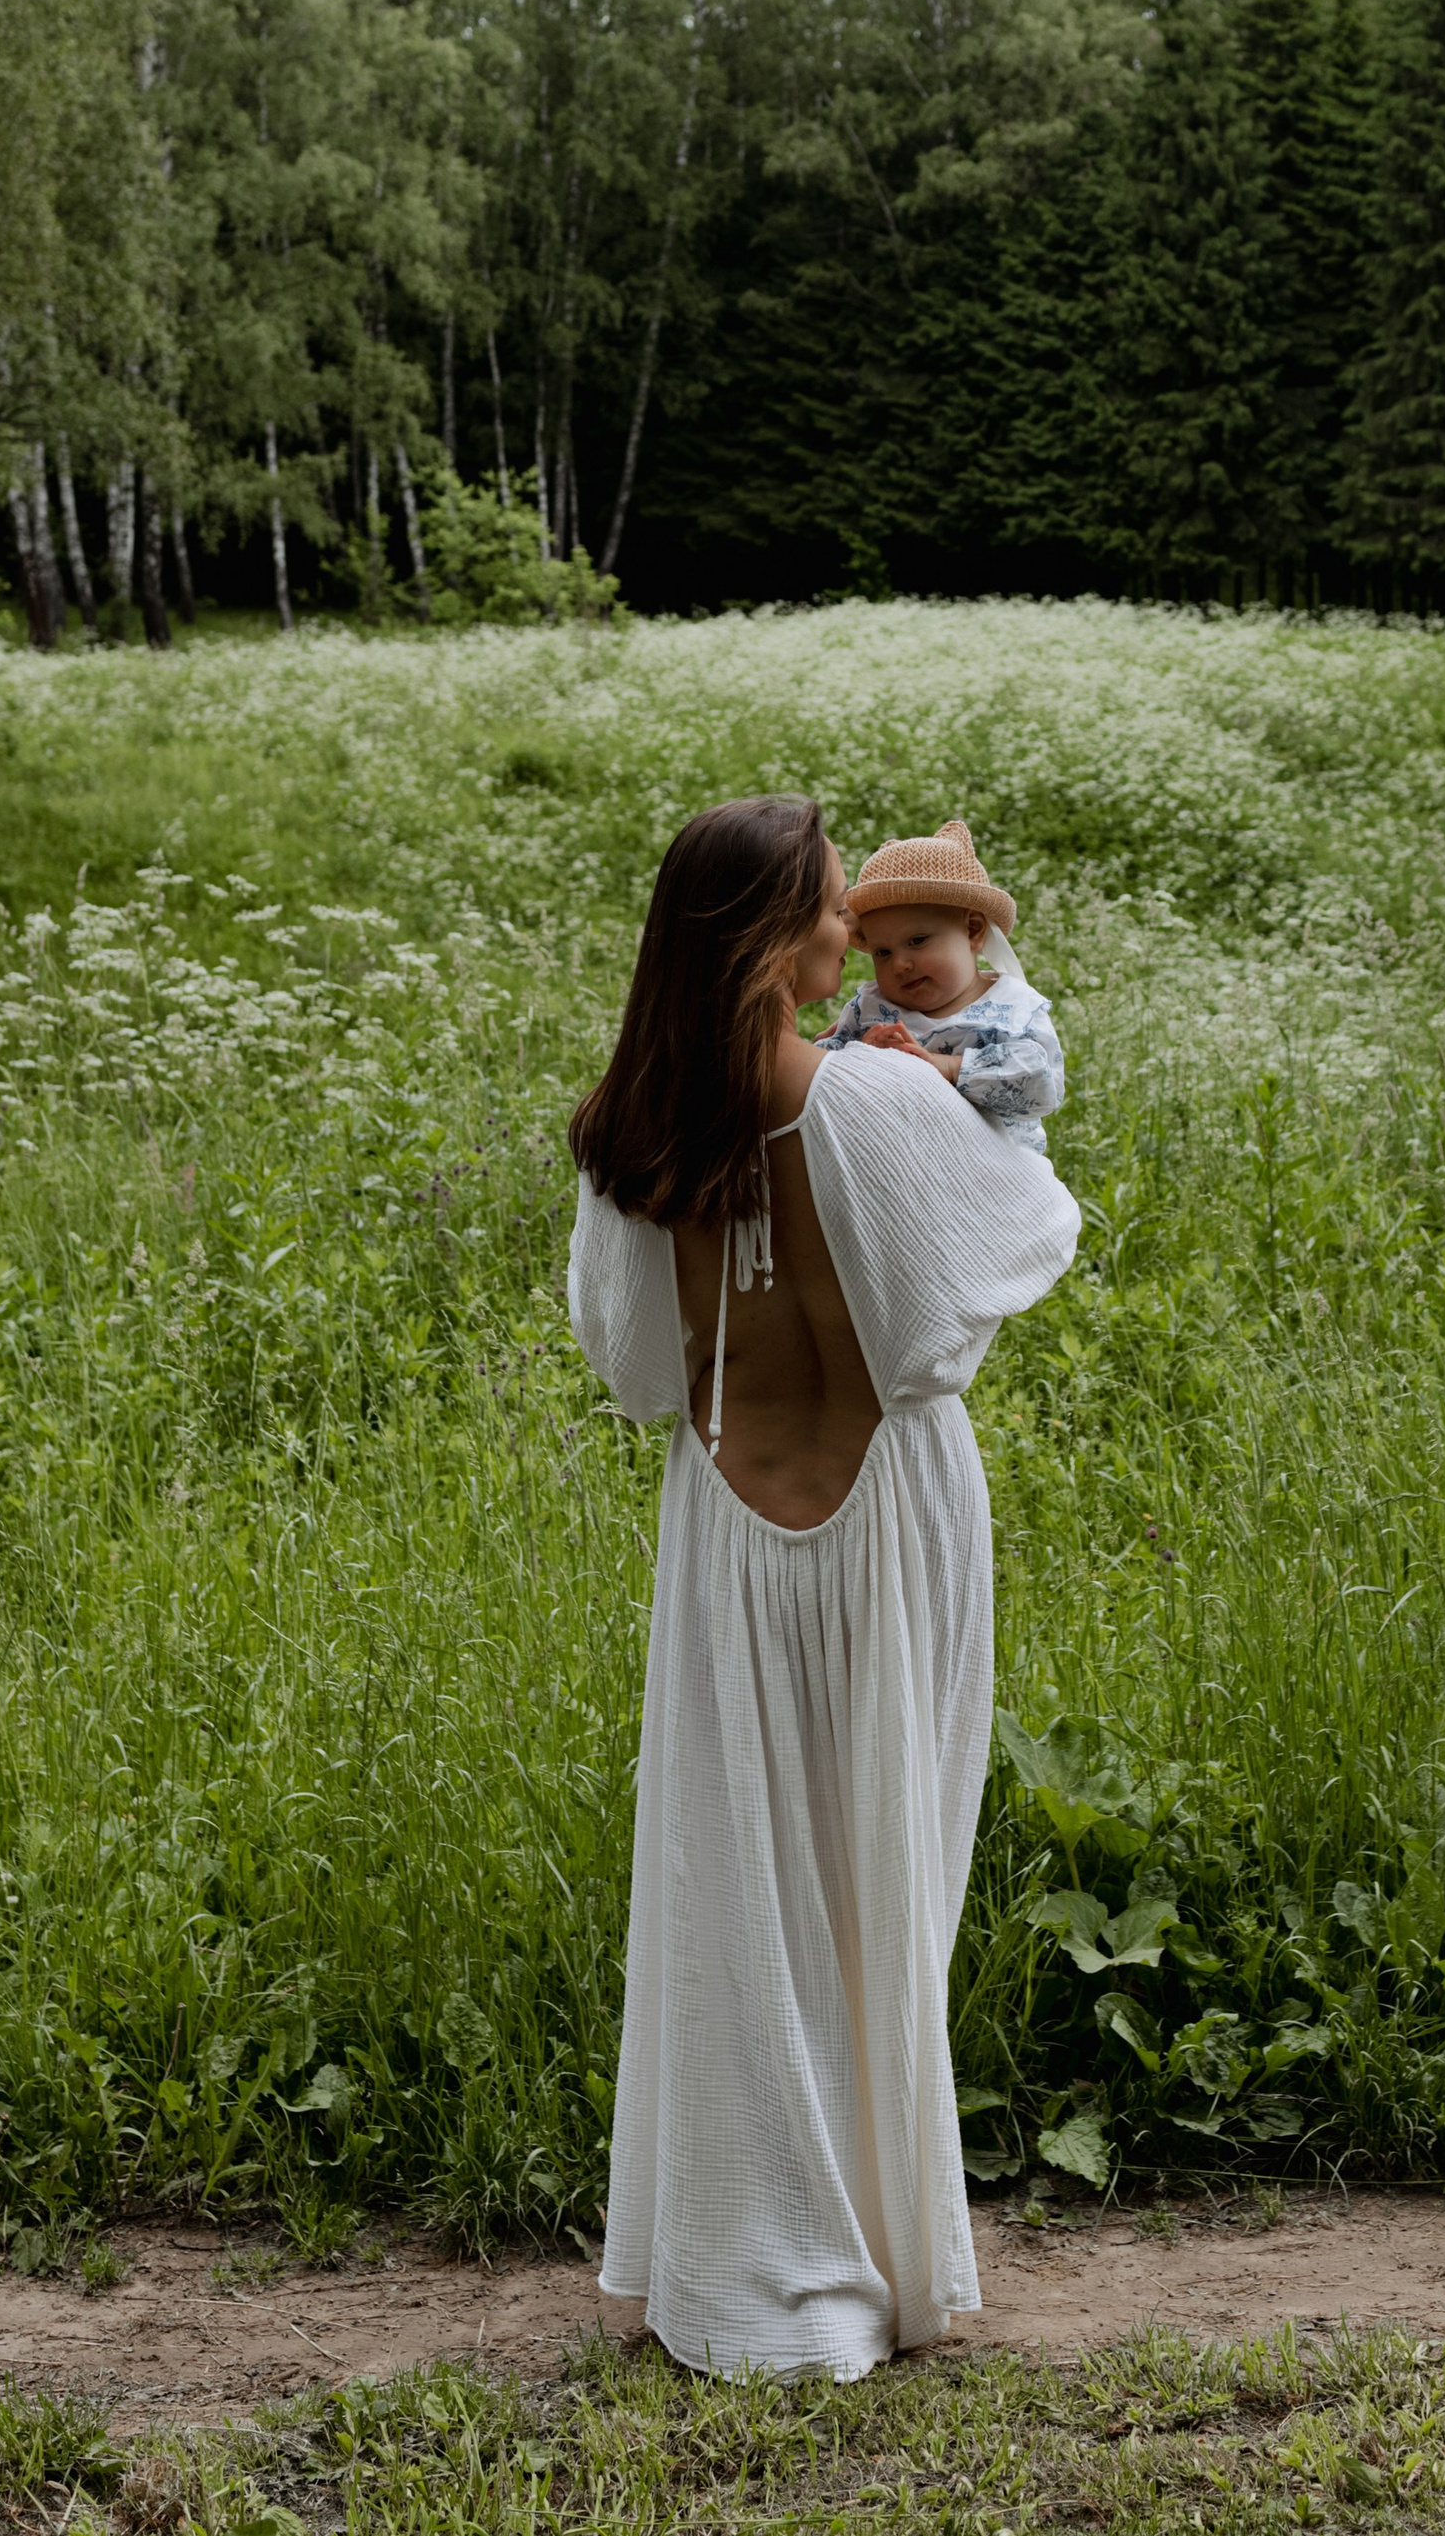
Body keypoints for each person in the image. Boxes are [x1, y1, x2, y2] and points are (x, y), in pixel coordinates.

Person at [567, 795, 1079, 2379]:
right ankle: (873, 2242)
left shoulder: (629, 1137)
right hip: (893, 1516)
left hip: (725, 1523)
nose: (857, 926)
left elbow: (643, 1374)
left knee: (737, 1896)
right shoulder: (877, 1098)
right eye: (830, 905)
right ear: (777, 942)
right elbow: (998, 1264)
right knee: (887, 1872)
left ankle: (752, 2260)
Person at [817, 818, 1065, 1159]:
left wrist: (948, 1067)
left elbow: (1041, 1086)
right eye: (883, 953)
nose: (900, 964)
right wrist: (857, 1052)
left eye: (917, 941)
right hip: (901, 1165)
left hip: (996, 1170)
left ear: (973, 931)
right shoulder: (871, 1008)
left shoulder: (1013, 1008)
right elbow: (816, 1077)